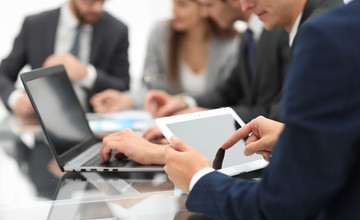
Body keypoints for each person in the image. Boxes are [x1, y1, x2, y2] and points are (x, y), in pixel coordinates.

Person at [163, 0, 360, 220]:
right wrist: (293, 137)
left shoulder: (327, 34)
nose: (245, 6)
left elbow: (276, 212)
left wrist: (198, 178)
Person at [143, 0, 343, 122]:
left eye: (208, 5)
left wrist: (205, 118)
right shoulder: (249, 34)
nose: (244, 5)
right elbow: (230, 90)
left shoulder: (309, 29)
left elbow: (278, 114)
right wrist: (185, 104)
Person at [90, 0, 240, 113]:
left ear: (205, 7)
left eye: (182, 5)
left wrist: (184, 104)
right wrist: (125, 100)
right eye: (173, 3)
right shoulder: (160, 34)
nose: (173, 10)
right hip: (165, 122)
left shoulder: (233, 44)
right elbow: (150, 87)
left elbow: (226, 96)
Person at [0, 0, 130, 116]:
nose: (97, 8)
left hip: (94, 124)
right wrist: (14, 99)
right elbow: (3, 73)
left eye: (102, 1)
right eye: (90, 1)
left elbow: (123, 86)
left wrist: (86, 74)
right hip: (41, 125)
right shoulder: (34, 25)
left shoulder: (117, 30)